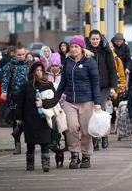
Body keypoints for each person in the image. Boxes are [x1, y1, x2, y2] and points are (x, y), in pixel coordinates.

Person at [57, 35, 101, 169]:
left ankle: (86, 156)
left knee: (86, 130)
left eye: (76, 47)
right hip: (70, 101)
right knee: (71, 128)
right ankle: (75, 155)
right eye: (72, 47)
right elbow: (63, 81)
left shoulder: (90, 62)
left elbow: (95, 83)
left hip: (86, 101)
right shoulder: (68, 62)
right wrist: (55, 97)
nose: (74, 49)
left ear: (82, 48)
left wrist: (97, 102)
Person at [16, 62, 59, 172]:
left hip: (44, 117)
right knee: (30, 142)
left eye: (41, 70)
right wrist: (19, 117)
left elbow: (54, 100)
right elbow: (20, 102)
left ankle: (45, 163)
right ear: (33, 71)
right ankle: (30, 162)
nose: (39, 72)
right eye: (37, 70)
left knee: (45, 141)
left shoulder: (48, 84)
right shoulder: (26, 85)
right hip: (29, 117)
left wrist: (43, 103)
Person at [87, 29, 117, 150]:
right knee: (91, 112)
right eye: (93, 39)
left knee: (101, 110)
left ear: (100, 39)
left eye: (97, 39)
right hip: (89, 85)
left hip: (104, 85)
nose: (95, 41)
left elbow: (112, 68)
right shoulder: (86, 51)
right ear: (89, 39)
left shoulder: (106, 51)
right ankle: (95, 138)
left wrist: (112, 86)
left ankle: (104, 136)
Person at [0, 44, 30, 154]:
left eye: (23, 54)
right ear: (14, 54)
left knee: (28, 121)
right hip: (14, 98)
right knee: (16, 122)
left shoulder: (29, 65)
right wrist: (4, 92)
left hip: (28, 98)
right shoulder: (9, 66)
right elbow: (5, 81)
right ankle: (17, 144)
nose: (21, 56)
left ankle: (29, 144)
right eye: (19, 55)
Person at [46, 52, 68, 151]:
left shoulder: (63, 75)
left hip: (62, 101)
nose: (54, 68)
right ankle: (54, 141)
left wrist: (63, 94)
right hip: (51, 102)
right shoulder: (47, 76)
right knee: (53, 122)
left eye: (56, 65)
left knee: (63, 122)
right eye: (52, 65)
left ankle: (68, 141)